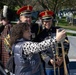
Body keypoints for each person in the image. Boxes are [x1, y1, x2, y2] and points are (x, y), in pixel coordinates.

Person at [34, 10, 70, 75]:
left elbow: (66, 44)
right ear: (42, 22)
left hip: (63, 63)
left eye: (49, 20)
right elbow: (40, 51)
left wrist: (61, 58)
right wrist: (48, 60)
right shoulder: (40, 35)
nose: (47, 23)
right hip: (49, 66)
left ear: (52, 20)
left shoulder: (60, 30)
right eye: (45, 21)